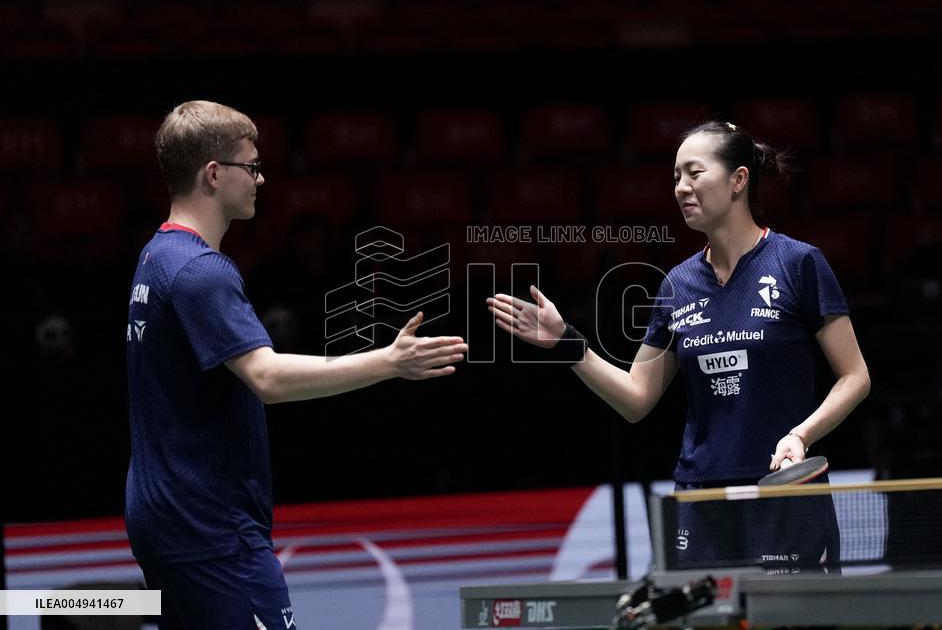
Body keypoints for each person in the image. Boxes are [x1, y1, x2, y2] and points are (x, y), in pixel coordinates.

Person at [126, 100, 467, 629]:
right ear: (213, 174)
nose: (260, 179)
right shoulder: (200, 270)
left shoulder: (156, 254)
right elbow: (268, 378)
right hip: (211, 528)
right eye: (251, 166)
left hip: (167, 514)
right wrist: (390, 361)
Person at [487, 119, 870, 570]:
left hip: (782, 490)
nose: (681, 187)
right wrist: (566, 342)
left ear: (738, 180)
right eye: (675, 177)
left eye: (694, 172)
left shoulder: (797, 263)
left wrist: (801, 434)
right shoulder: (678, 284)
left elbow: (855, 377)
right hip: (701, 500)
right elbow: (636, 398)